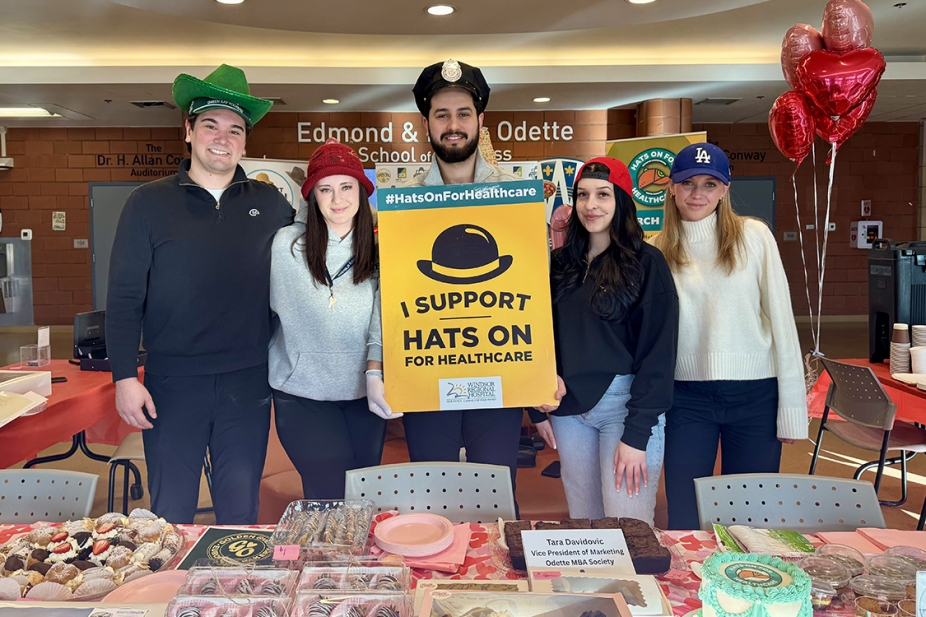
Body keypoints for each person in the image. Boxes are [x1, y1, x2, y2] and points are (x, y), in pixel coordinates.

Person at [106, 64, 294, 524]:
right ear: (188, 131)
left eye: (235, 130)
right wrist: (124, 377)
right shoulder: (147, 204)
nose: (222, 138)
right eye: (210, 125)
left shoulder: (271, 204)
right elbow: (124, 297)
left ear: (245, 142)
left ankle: (236, 574)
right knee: (170, 511)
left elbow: (308, 267)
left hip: (248, 381)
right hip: (173, 382)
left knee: (240, 510)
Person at [650, 143, 808, 530]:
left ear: (724, 189)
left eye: (710, 184)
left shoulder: (754, 236)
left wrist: (792, 410)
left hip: (756, 396)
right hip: (686, 399)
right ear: (671, 187)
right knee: (685, 514)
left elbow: (783, 323)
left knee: (750, 519)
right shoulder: (655, 249)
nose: (698, 193)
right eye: (688, 183)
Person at [530, 158, 679, 526]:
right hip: (567, 411)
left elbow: (659, 353)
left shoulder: (647, 262)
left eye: (603, 195)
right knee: (586, 526)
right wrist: (536, 406)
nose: (590, 205)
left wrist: (638, 433)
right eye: (582, 195)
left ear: (622, 201)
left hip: (624, 408)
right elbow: (537, 335)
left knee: (629, 528)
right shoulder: (559, 264)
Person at [402, 59, 524, 496]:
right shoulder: (402, 205)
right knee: (430, 499)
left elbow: (538, 292)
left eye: (463, 114)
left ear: (480, 120)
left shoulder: (515, 197)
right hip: (426, 377)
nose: (453, 126)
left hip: (500, 379)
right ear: (426, 124)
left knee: (497, 498)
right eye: (442, 115)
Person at [269, 138, 401, 500]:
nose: (337, 198)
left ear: (361, 191)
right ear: (312, 196)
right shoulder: (285, 245)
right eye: (325, 189)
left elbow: (384, 314)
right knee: (327, 495)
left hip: (363, 392)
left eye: (346, 186)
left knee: (361, 497)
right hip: (302, 394)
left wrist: (375, 372)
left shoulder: (379, 246)